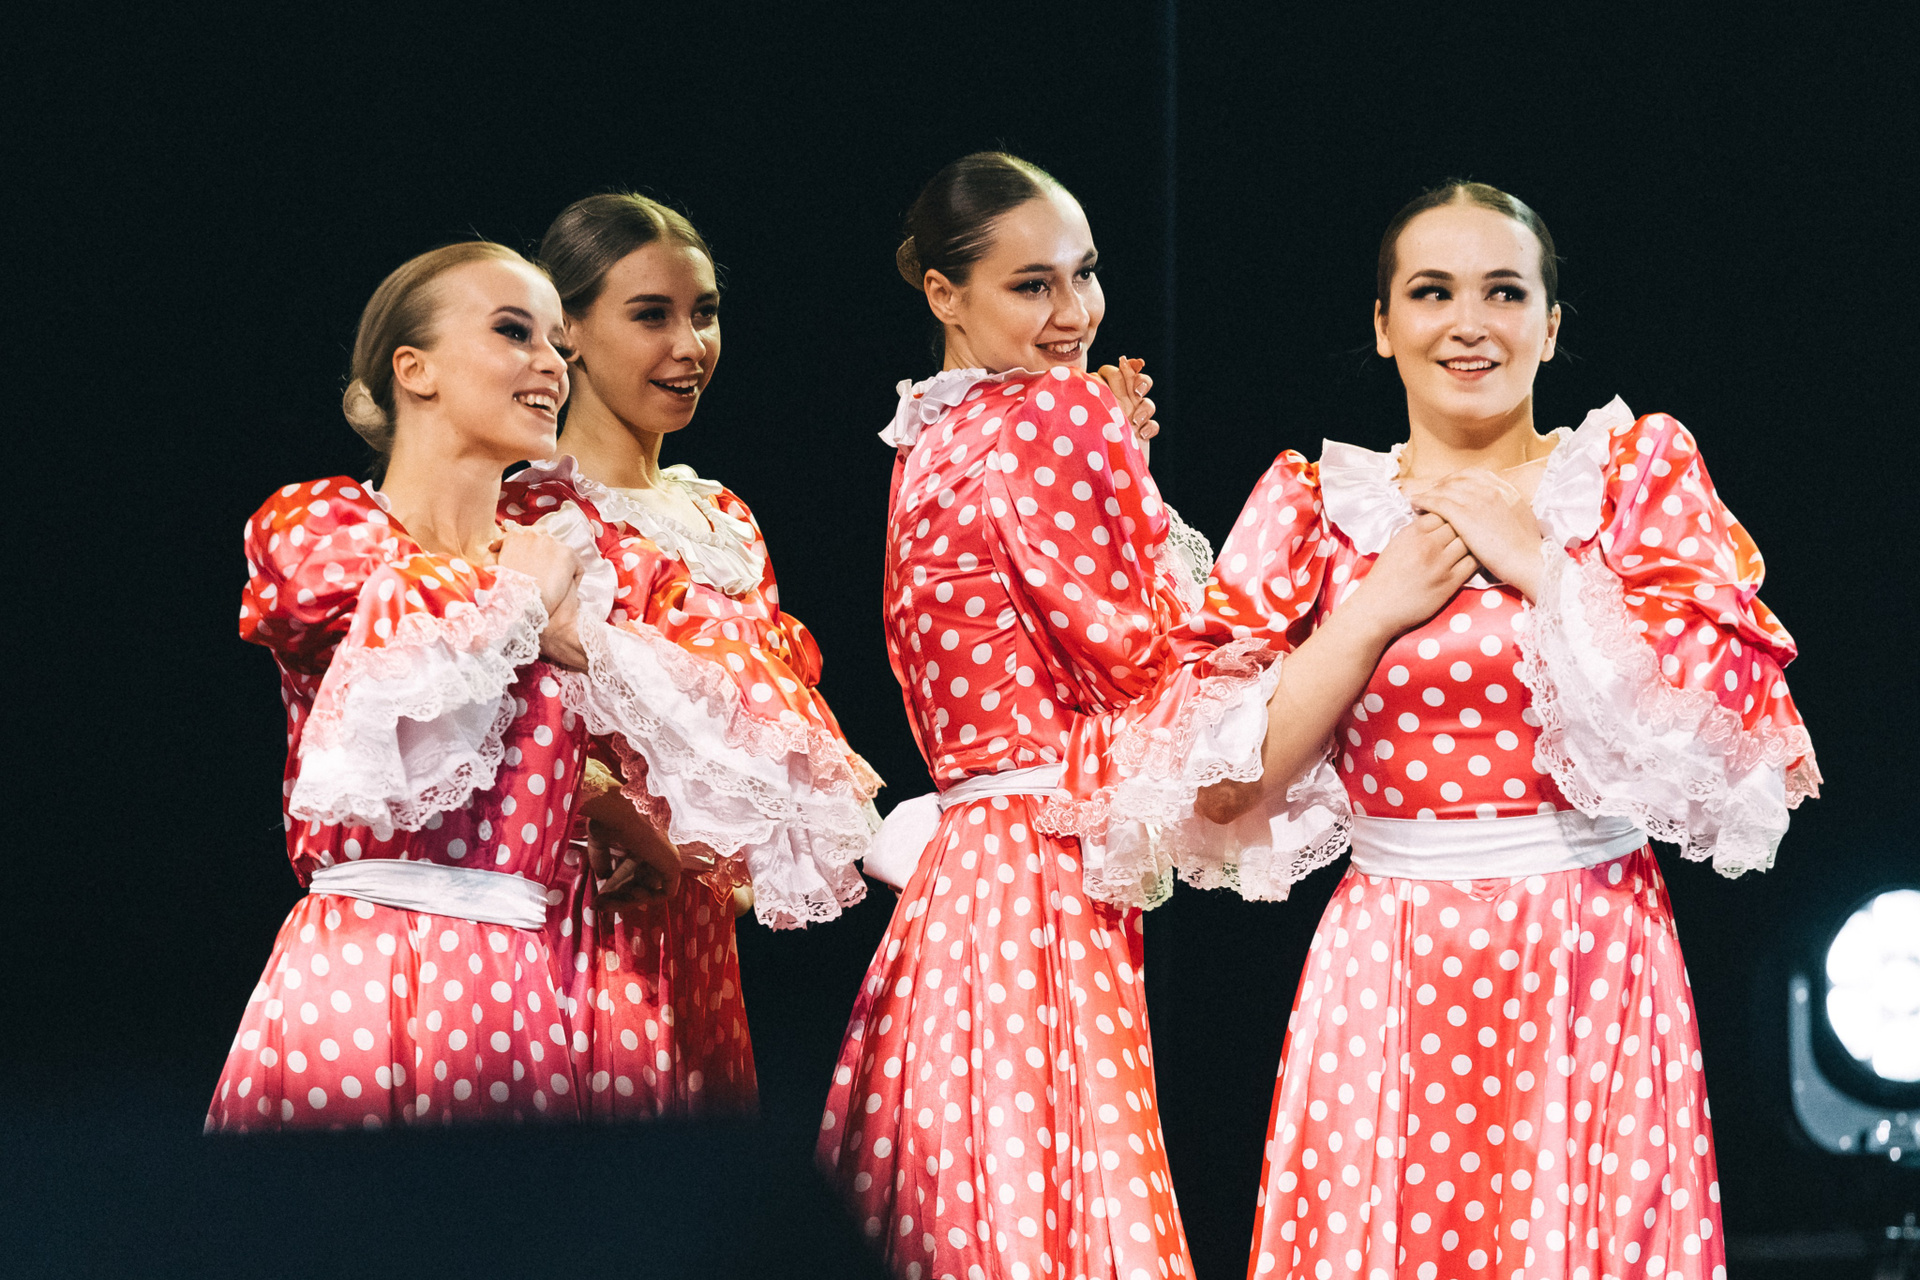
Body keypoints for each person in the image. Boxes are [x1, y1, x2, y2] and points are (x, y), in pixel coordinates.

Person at [1193, 182, 1819, 1280]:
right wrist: (1375, 608)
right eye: (1432, 292)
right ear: (1384, 323)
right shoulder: (1315, 508)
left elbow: (1715, 740)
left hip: (1588, 944)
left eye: (1504, 291)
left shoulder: (1629, 481)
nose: (1468, 323)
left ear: (1552, 324)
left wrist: (1536, 562)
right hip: (1390, 954)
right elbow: (1225, 787)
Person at [816, 151, 1292, 1280]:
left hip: (964, 878)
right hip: (1039, 873)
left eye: (1085, 273)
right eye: (1033, 285)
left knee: (975, 1209)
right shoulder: (1051, 415)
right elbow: (1143, 662)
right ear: (944, 292)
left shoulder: (931, 436)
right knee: (1056, 1214)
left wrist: (1120, 471)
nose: (1074, 312)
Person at [207, 242, 789, 1131]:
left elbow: (668, 722)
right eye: (515, 332)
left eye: (556, 341)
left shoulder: (567, 573)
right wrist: (523, 600)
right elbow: (387, 642)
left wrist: (622, 812)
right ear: (415, 369)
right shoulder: (329, 525)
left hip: (523, 988)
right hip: (374, 970)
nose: (550, 363)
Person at [495, 193, 881, 1119]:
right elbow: (508, 736)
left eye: (702, 313)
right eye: (650, 315)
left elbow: (762, 737)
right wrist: (611, 816)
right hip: (584, 926)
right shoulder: (534, 516)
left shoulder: (723, 519)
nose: (688, 345)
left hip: (699, 939)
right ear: (568, 331)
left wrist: (732, 869)